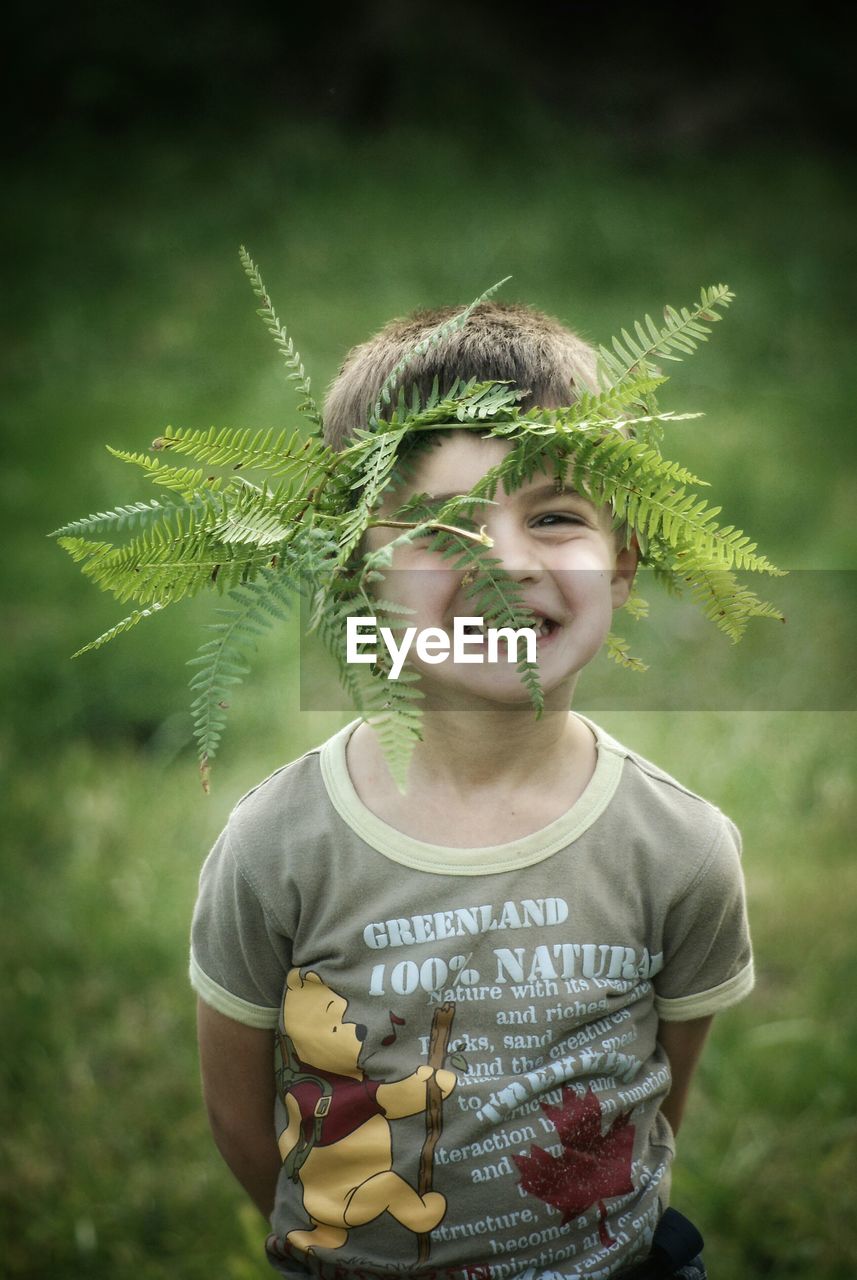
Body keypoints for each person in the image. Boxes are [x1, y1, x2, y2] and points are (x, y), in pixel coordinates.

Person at [190, 301, 754, 1280]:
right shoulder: (276, 843)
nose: (504, 561)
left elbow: (656, 1100)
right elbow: (240, 1119)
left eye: (554, 515)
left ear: (622, 559)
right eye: (444, 524)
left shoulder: (677, 846)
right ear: (358, 568)